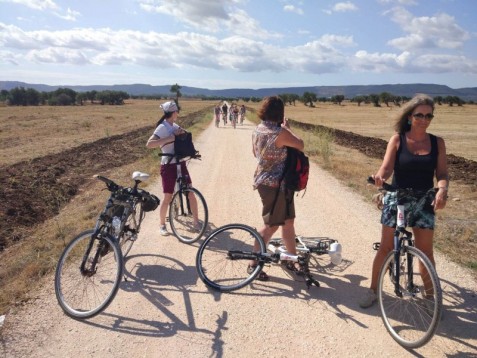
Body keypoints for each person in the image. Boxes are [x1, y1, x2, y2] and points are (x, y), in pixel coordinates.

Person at [359, 94, 449, 308]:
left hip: (424, 201)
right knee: (386, 247)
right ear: (410, 116)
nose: (424, 119)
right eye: (420, 115)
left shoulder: (437, 143)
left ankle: (430, 298)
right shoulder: (398, 139)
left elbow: (442, 173)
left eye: (429, 116)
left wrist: (442, 191)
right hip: (398, 198)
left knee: (426, 252)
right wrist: (380, 177)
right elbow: (387, 167)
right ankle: (373, 290)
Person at [251, 96, 305, 281]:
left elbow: (254, 153)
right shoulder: (279, 132)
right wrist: (287, 128)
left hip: (270, 183)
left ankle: (291, 259)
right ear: (280, 112)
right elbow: (300, 144)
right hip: (275, 185)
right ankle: (253, 264)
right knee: (271, 226)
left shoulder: (258, 129)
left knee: (288, 222)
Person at [146, 100, 200, 236]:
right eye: (177, 111)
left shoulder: (174, 125)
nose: (178, 113)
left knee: (190, 192)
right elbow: (149, 144)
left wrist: (181, 133)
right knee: (168, 197)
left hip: (180, 162)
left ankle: (196, 222)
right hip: (168, 165)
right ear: (173, 112)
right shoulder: (162, 127)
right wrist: (170, 138)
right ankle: (162, 225)